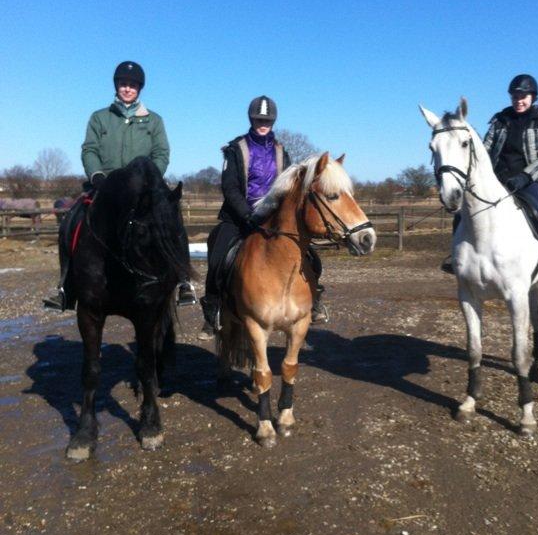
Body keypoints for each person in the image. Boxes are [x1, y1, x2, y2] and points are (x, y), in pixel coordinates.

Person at [43, 61, 195, 311]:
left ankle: (183, 280)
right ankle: (65, 286)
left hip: (144, 187)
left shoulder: (154, 121)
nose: (127, 88)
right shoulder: (100, 118)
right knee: (72, 219)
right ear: (116, 86)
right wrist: (97, 176)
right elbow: (89, 149)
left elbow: (161, 153)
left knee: (172, 217)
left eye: (132, 85)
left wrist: (151, 178)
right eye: (124, 84)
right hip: (105, 186)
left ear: (139, 89)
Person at [199, 95, 328, 338]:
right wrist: (246, 214)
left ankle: (315, 301)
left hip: (273, 219)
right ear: (251, 120)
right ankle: (212, 312)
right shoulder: (235, 149)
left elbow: (291, 187)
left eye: (267, 120)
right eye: (259, 120)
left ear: (273, 122)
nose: (263, 124)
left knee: (312, 259)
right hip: (239, 217)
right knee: (218, 259)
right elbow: (230, 187)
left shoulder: (281, 152)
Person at [442, 74, 538, 278]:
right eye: (515, 96)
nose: (519, 100)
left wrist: (525, 176)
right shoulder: (500, 120)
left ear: (533, 97)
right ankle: (457, 257)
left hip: (527, 180)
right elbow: (485, 150)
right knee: (461, 214)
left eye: (523, 96)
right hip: (496, 179)